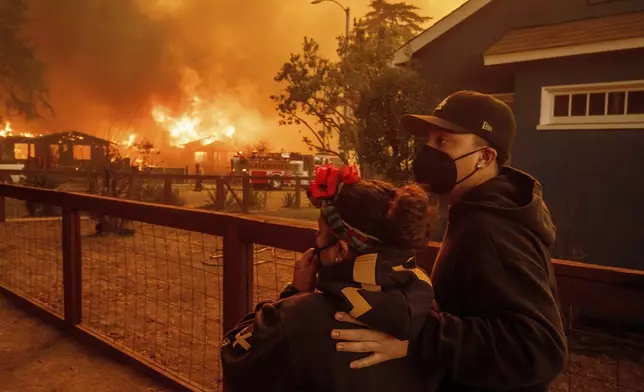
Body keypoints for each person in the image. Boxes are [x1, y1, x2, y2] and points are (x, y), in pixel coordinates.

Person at [329, 91, 567, 392]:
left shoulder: (491, 228)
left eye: (443, 141)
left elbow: (539, 348)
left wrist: (417, 338)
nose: (428, 152)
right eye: (428, 141)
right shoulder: (478, 211)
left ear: (485, 157)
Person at [220, 165, 443, 392]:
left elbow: (234, 355)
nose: (315, 242)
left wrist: (292, 293)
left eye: (319, 233)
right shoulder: (429, 315)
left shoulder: (297, 316)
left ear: (341, 251)